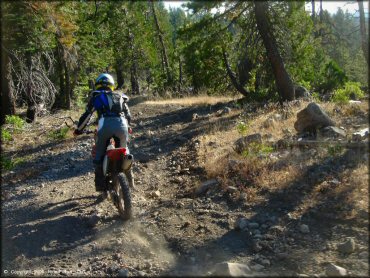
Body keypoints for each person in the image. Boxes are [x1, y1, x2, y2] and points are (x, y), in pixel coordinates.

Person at [74, 73, 132, 192]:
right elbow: (128, 115)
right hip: (122, 125)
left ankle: (101, 186)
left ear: (98, 85)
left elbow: (87, 116)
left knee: (99, 156)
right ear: (111, 85)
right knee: (124, 152)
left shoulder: (97, 97)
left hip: (105, 126)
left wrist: (78, 130)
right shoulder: (120, 96)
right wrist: (128, 126)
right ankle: (130, 182)